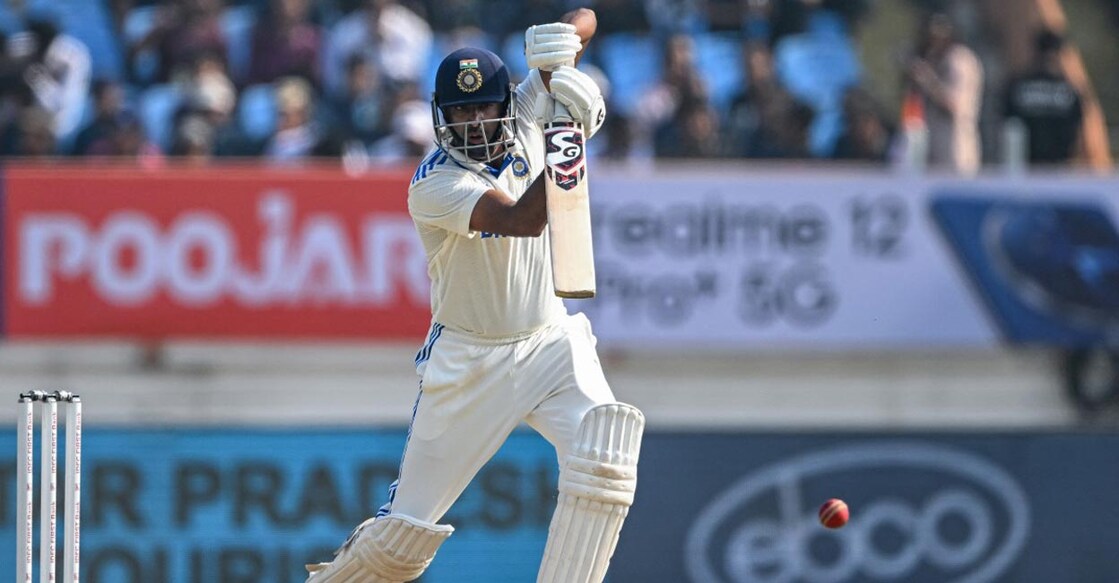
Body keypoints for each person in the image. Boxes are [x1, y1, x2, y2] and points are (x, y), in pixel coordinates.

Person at [304, 8, 644, 583]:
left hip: (549, 343)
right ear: (441, 118)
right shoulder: (435, 183)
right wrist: (570, 142)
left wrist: (559, 46)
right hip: (468, 363)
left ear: (506, 103)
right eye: (460, 113)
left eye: (484, 107)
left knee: (605, 458)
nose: (474, 123)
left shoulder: (531, 110)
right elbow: (522, 221)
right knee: (398, 544)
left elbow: (583, 20)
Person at [903, 11, 983, 174]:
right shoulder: (933, 58)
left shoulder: (960, 60)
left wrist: (926, 79)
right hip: (931, 145)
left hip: (957, 147)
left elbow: (955, 105)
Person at [1002, 29, 1082, 166]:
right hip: (1059, 165)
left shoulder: (1018, 85)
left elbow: (1007, 119)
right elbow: (1076, 125)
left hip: (1026, 164)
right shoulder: (1069, 89)